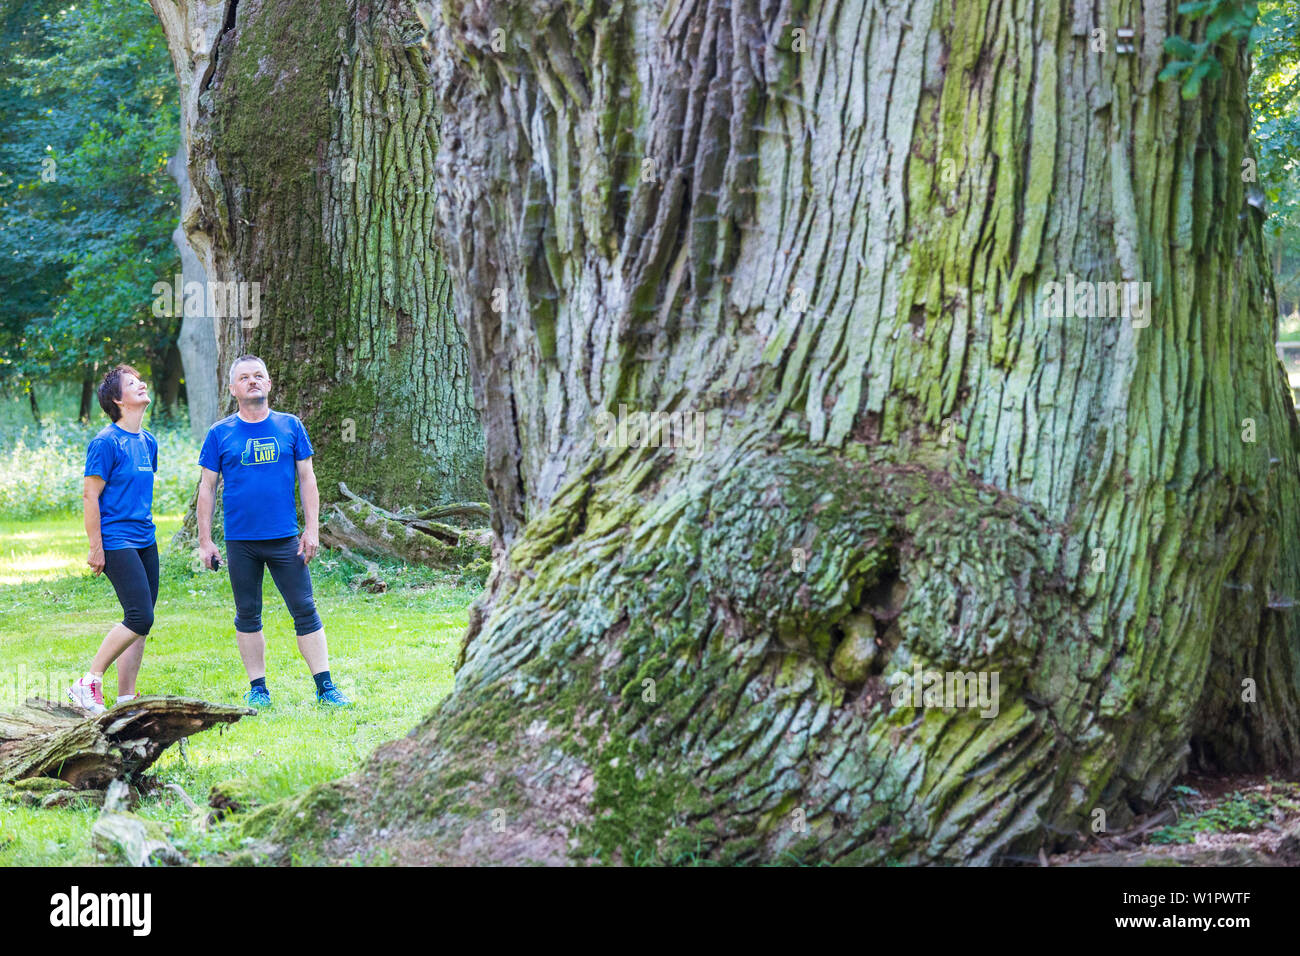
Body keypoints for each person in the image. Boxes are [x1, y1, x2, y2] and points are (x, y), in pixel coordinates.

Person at [197, 354, 352, 708]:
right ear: (234, 388)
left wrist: (311, 529)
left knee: (305, 608)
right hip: (241, 541)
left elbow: (307, 477)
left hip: (285, 537)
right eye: (245, 378)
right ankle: (258, 689)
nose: (253, 381)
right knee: (247, 613)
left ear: (268, 384)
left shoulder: (290, 426)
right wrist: (205, 542)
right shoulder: (219, 433)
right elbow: (207, 488)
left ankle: (326, 687)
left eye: (259, 376)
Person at [68, 366, 158, 714]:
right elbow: (91, 497)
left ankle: (125, 697)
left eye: (141, 381)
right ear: (118, 400)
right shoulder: (105, 442)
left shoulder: (148, 441)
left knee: (142, 619)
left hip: (145, 539)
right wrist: (96, 547)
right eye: (133, 384)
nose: (142, 385)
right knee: (139, 616)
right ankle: (88, 680)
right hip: (116, 539)